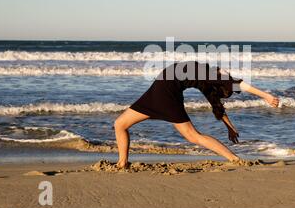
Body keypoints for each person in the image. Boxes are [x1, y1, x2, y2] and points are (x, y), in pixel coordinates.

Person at [114, 61, 280, 168]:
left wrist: (265, 95)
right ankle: (123, 163)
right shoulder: (206, 76)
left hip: (164, 95)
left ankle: (235, 159)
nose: (224, 71)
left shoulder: (210, 75)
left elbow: (238, 84)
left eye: (225, 74)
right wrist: (230, 128)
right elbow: (218, 108)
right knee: (120, 124)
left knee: (193, 136)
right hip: (158, 92)